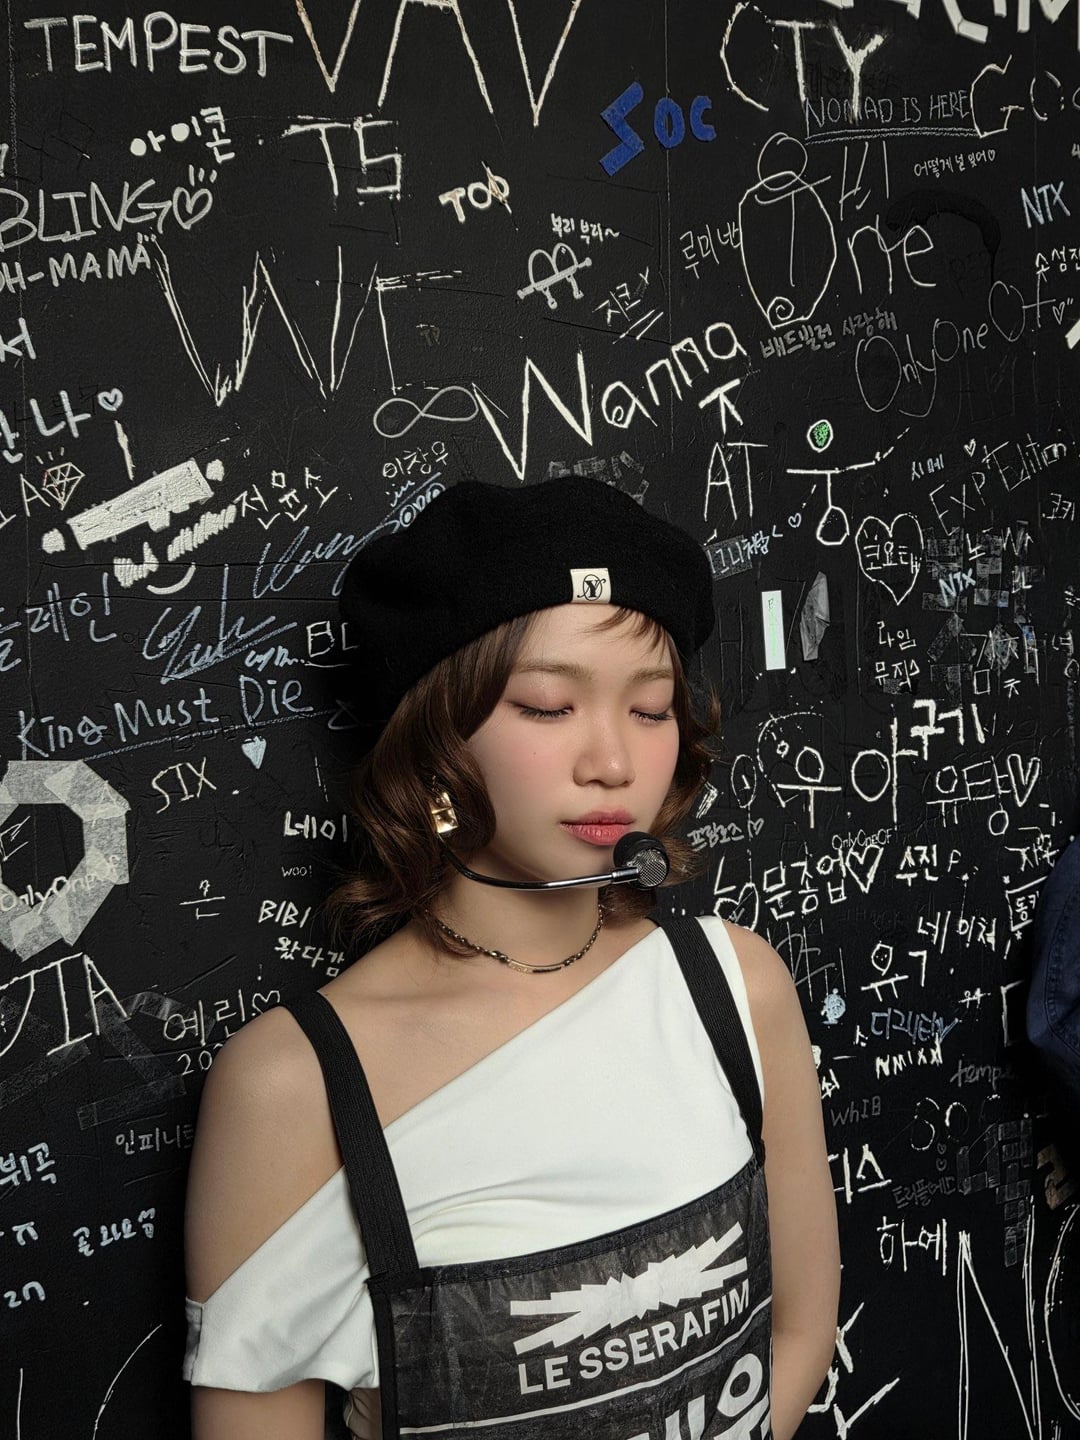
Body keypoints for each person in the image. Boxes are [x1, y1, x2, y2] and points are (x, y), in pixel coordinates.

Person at [183, 475, 840, 1440]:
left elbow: (800, 1330)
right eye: (546, 706)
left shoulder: (735, 987)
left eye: (651, 709)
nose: (611, 762)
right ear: (435, 737)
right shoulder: (296, 1083)